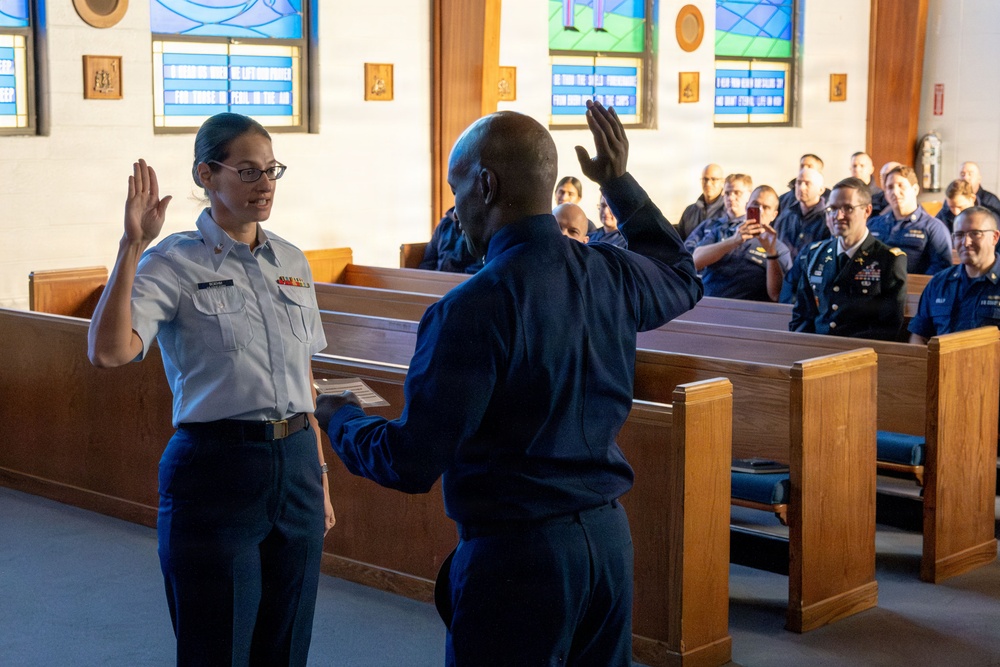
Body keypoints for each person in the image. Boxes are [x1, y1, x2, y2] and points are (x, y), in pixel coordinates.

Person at [315, 101, 702, 666]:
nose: (455, 207)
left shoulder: (472, 308)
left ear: (486, 184)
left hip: (519, 560)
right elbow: (680, 274)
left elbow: (412, 461)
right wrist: (618, 182)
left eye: (456, 189)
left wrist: (341, 417)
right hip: (607, 545)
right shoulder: (608, 272)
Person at [86, 113, 334, 666]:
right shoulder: (171, 260)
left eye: (272, 171)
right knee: (215, 646)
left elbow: (304, 382)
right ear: (206, 173)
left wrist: (317, 475)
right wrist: (131, 245)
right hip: (216, 470)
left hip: (293, 466)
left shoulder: (292, 261)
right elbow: (109, 351)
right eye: (248, 171)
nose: (265, 184)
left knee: (288, 643)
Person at [788, 177, 907, 340]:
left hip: (861, 355)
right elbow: (802, 316)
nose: (838, 216)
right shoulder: (815, 255)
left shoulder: (888, 260)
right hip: (815, 353)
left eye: (848, 208)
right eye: (833, 209)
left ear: (867, 211)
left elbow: (888, 327)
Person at [685, 178, 790, 301]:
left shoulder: (779, 249)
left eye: (766, 207)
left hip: (747, 312)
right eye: (755, 204)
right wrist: (733, 241)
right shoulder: (721, 231)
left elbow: (776, 295)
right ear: (747, 207)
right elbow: (695, 261)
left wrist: (771, 254)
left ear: (774, 215)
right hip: (708, 304)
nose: (760, 211)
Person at [909, 206, 1000, 343]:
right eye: (959, 235)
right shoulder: (939, 283)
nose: (966, 242)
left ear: (994, 237)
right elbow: (919, 336)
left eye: (975, 233)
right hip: (942, 363)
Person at [867, 165, 952, 275]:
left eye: (901, 186)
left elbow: (940, 268)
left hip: (914, 289)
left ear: (915, 189)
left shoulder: (933, 227)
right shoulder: (873, 224)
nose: (895, 192)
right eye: (890, 187)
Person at [776, 166, 828, 260]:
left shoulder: (828, 220)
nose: (801, 188)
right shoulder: (785, 216)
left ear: (821, 190)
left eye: (807, 184)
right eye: (799, 183)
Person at [418, 206, 485, 274]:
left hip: (465, 282)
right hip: (437, 280)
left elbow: (479, 268)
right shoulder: (445, 223)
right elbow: (428, 262)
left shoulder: (483, 228)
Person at [677, 163, 725, 240]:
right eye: (705, 179)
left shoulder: (728, 212)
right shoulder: (689, 211)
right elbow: (679, 241)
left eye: (713, 179)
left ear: (723, 182)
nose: (708, 184)